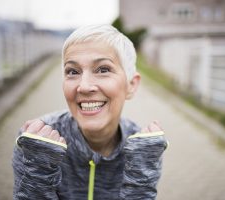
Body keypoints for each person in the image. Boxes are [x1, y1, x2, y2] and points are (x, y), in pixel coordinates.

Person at [12, 24, 167, 200]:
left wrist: (141, 179)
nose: (84, 86)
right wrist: (38, 172)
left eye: (103, 69)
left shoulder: (144, 148)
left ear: (131, 85)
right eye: (73, 71)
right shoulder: (36, 141)